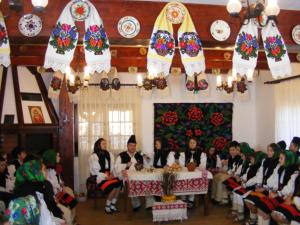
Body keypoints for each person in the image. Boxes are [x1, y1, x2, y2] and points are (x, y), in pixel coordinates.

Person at [254, 151, 298, 225]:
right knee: (260, 205)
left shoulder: (293, 171)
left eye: (281, 158)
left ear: (288, 160)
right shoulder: (281, 168)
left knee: (273, 212)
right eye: (279, 158)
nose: (279, 160)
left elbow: (289, 188)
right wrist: (269, 189)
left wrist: (277, 193)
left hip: (285, 196)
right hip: (280, 193)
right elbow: (273, 182)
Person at [43, 149, 77, 223]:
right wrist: (58, 193)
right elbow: (50, 187)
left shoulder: (52, 169)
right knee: (66, 211)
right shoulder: (45, 171)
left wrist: (61, 189)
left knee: (73, 202)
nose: (59, 157)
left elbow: (57, 183)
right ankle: (69, 220)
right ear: (51, 157)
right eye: (57, 156)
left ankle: (73, 220)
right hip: (53, 198)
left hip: (58, 194)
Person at [89, 138, 122, 214]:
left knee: (119, 184)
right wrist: (106, 176)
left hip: (109, 176)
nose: (105, 145)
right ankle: (107, 206)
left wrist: (112, 174)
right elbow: (95, 171)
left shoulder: (109, 154)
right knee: (114, 186)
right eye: (103, 143)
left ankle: (112, 204)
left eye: (105, 143)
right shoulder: (93, 156)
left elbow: (112, 167)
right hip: (100, 178)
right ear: (98, 145)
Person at [115, 135, 143, 211]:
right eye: (131, 145)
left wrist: (141, 167)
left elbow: (143, 167)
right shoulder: (121, 155)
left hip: (138, 176)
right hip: (126, 176)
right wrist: (125, 165)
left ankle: (148, 203)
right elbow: (116, 167)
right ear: (127, 145)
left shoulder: (139, 155)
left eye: (134, 145)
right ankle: (135, 204)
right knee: (131, 183)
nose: (132, 147)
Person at [271, 159, 300, 225]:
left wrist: (292, 200)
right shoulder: (296, 175)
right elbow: (289, 187)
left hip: (297, 204)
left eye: (281, 158)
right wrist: (278, 194)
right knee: (275, 214)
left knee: (293, 222)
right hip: (294, 203)